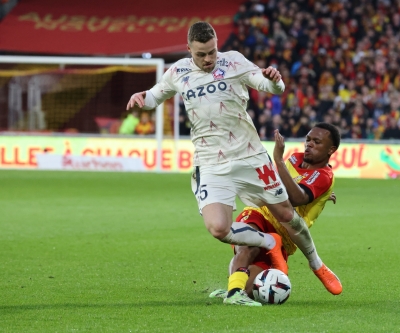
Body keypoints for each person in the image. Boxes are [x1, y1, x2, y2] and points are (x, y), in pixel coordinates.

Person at [126, 22, 341, 306]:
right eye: (201, 54)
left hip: (250, 156)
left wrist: (274, 79)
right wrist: (142, 97)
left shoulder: (234, 61)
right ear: (189, 49)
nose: (208, 59)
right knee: (218, 228)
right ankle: (267, 242)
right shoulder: (178, 71)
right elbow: (156, 95)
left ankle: (317, 264)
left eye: (212, 52)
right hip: (211, 163)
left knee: (287, 215)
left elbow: (270, 86)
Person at [209, 123, 341, 305]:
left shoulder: (324, 176)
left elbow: (295, 198)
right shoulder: (294, 159)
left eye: (317, 142)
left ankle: (237, 289)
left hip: (286, 235)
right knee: (249, 245)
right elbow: (279, 186)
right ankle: (233, 293)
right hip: (261, 213)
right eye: (308, 140)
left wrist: (278, 161)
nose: (309, 144)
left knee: (252, 289)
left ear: (330, 150)